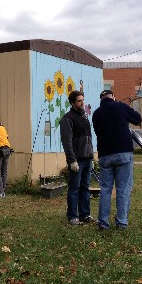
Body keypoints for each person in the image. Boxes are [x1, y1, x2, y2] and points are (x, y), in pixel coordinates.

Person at [92, 89, 142, 230]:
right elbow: (138, 119)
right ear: (113, 97)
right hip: (123, 152)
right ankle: (121, 222)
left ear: (101, 100)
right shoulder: (120, 106)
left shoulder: (96, 114)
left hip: (104, 154)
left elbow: (98, 131)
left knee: (105, 189)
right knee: (123, 189)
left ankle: (103, 222)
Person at [60, 90, 95, 225]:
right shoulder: (67, 119)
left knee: (85, 187)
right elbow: (67, 142)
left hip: (87, 158)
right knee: (74, 188)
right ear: (73, 103)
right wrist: (72, 160)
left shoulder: (84, 117)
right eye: (79, 101)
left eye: (83, 100)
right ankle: (72, 217)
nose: (82, 102)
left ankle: (85, 214)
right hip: (77, 160)